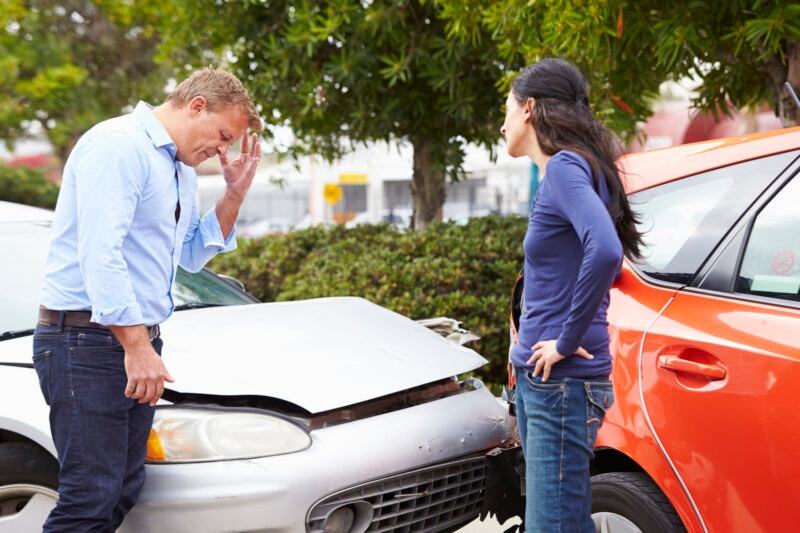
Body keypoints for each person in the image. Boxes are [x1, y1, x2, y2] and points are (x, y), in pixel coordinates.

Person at [33, 67, 262, 532]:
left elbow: (192, 256)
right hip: (84, 342)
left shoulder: (178, 167)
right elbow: (101, 254)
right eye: (222, 135)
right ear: (197, 105)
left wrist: (234, 194)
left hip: (132, 342)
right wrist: (137, 348)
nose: (222, 150)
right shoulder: (119, 146)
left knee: (122, 488)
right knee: (89, 497)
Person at [500, 58, 644, 532]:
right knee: (564, 520)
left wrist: (565, 338)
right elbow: (606, 260)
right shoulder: (583, 169)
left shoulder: (564, 168)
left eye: (506, 107)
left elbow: (603, 251)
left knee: (553, 525)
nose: (501, 122)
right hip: (557, 381)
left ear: (529, 109)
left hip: (559, 381)